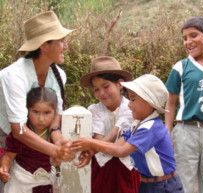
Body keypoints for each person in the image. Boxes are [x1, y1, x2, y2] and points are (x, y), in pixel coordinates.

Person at [0, 10, 75, 190]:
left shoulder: (58, 75)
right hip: (5, 133)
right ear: (44, 45)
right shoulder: (15, 76)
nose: (66, 46)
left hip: (31, 134)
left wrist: (56, 135)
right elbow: (18, 131)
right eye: (61, 41)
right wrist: (55, 151)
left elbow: (57, 112)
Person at [72, 74, 184, 193]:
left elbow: (122, 151)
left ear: (149, 102)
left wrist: (90, 142)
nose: (129, 105)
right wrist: (91, 150)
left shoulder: (150, 128)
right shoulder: (136, 125)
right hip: (147, 184)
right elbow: (117, 146)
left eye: (133, 99)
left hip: (164, 186)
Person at [165, 16, 203, 193]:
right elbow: (170, 103)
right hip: (186, 131)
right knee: (183, 181)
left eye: (194, 36)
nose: (188, 42)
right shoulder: (180, 67)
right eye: (185, 38)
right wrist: (168, 132)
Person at [79, 56, 140, 193]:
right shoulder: (94, 110)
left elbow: (119, 144)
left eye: (106, 86)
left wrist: (91, 145)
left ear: (120, 84)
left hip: (127, 167)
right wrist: (95, 145)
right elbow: (99, 141)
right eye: (96, 89)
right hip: (101, 169)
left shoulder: (131, 108)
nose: (101, 93)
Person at [0, 87, 66, 193]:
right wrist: (4, 167)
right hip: (21, 183)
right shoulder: (22, 133)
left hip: (45, 184)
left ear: (55, 113)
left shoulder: (55, 135)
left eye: (46, 113)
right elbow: (8, 156)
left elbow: (56, 162)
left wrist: (57, 160)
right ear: (27, 110)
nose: (41, 118)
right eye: (36, 112)